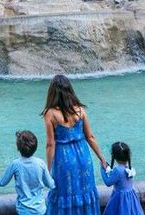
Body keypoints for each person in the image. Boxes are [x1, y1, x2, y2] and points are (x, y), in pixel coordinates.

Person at [42, 74, 108, 215]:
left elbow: (50, 144)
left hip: (63, 160)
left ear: (52, 93)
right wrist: (102, 158)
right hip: (83, 157)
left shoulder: (50, 114)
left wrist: (47, 171)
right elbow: (90, 137)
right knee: (86, 192)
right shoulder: (80, 110)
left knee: (63, 195)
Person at [0, 130, 55, 215]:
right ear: (35, 146)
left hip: (23, 210)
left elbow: (2, 182)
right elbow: (50, 184)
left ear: (18, 148)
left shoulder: (15, 164)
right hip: (40, 210)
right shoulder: (41, 163)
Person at [101, 142, 144, 215]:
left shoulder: (117, 170)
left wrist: (102, 169)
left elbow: (108, 182)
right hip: (131, 197)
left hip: (120, 199)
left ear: (114, 156)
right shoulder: (130, 168)